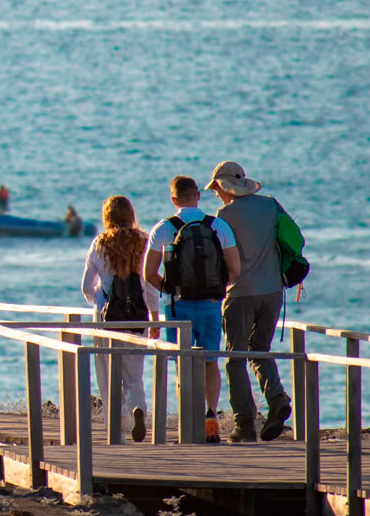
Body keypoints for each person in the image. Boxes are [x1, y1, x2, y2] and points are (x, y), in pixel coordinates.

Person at [145, 175, 241, 444]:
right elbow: (235, 270)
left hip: (178, 308)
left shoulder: (164, 229)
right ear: (198, 195)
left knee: (183, 364)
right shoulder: (218, 226)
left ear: (173, 199)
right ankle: (211, 413)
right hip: (211, 306)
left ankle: (190, 420)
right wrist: (215, 291)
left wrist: (171, 290)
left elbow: (148, 273)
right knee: (210, 361)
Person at [208, 160, 294, 442]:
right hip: (272, 291)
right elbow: (294, 238)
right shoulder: (270, 205)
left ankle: (244, 422)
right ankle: (277, 398)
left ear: (223, 187)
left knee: (235, 358)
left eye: (216, 190)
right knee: (260, 349)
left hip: (240, 292)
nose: (216, 195)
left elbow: (220, 258)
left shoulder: (224, 215)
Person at [80, 195, 158, 442]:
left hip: (107, 320)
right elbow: (151, 286)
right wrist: (154, 316)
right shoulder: (144, 242)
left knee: (108, 376)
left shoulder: (100, 244)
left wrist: (100, 301)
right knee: (135, 375)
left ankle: (118, 428)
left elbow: (86, 287)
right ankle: (138, 410)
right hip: (138, 317)